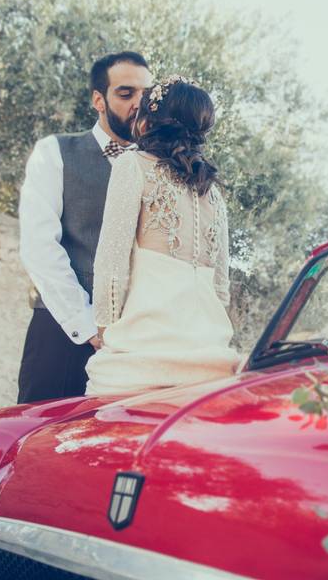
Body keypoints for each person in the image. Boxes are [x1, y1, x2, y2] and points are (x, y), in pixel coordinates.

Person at [84, 76, 239, 395]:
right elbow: (221, 289)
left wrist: (106, 335)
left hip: (144, 355)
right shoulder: (213, 195)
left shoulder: (133, 166)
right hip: (210, 361)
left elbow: (112, 266)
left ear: (148, 120)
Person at [17, 51, 154, 403]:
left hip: (139, 345)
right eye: (126, 94)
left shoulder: (160, 168)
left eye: (146, 94)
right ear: (99, 100)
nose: (139, 103)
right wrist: (89, 327)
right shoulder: (55, 152)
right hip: (64, 336)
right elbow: (39, 246)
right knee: (41, 444)